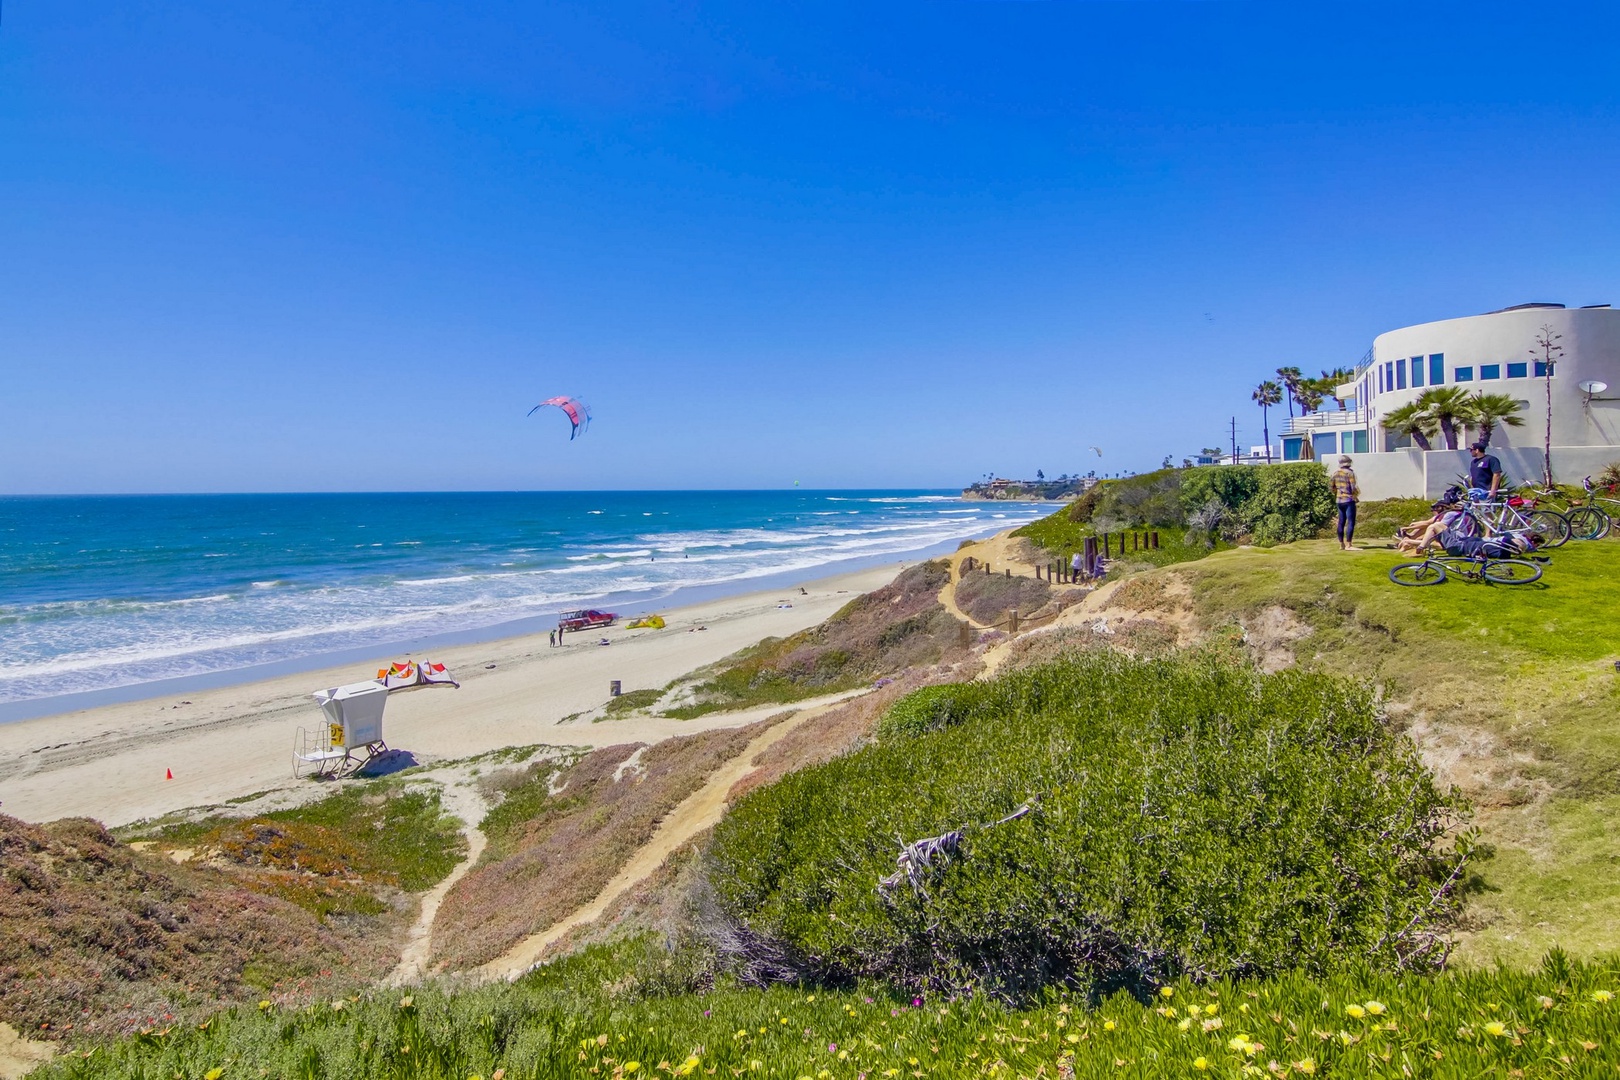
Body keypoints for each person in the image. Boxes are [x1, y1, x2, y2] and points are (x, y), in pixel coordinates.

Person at [1331, 455, 1360, 550]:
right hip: (1348, 500)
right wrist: (1355, 496)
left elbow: (1331, 487)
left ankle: (1341, 544)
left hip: (1339, 500)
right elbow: (1353, 487)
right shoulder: (1350, 473)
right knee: (1350, 522)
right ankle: (1349, 544)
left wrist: (1338, 492)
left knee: (1341, 522)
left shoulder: (1335, 473)